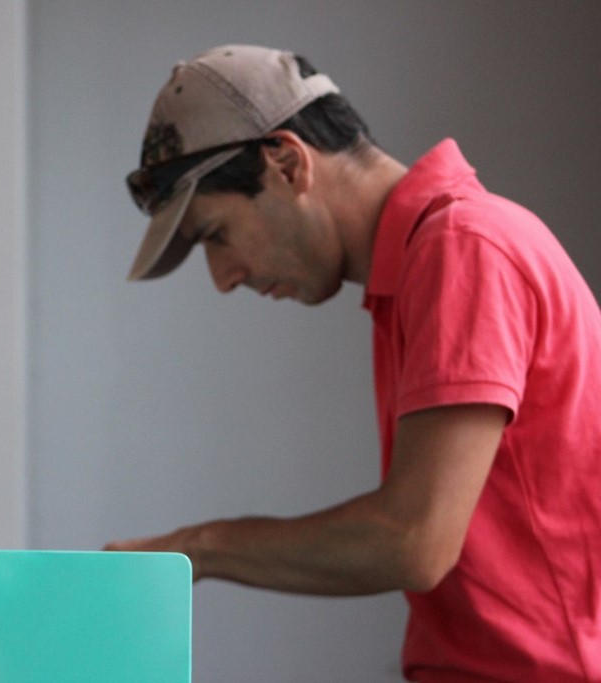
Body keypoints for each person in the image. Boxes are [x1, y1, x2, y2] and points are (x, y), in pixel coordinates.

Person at [107, 44, 601, 682]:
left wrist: (193, 550)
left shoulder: (464, 248)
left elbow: (414, 540)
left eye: (216, 235)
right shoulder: (421, 267)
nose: (223, 278)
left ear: (287, 163)